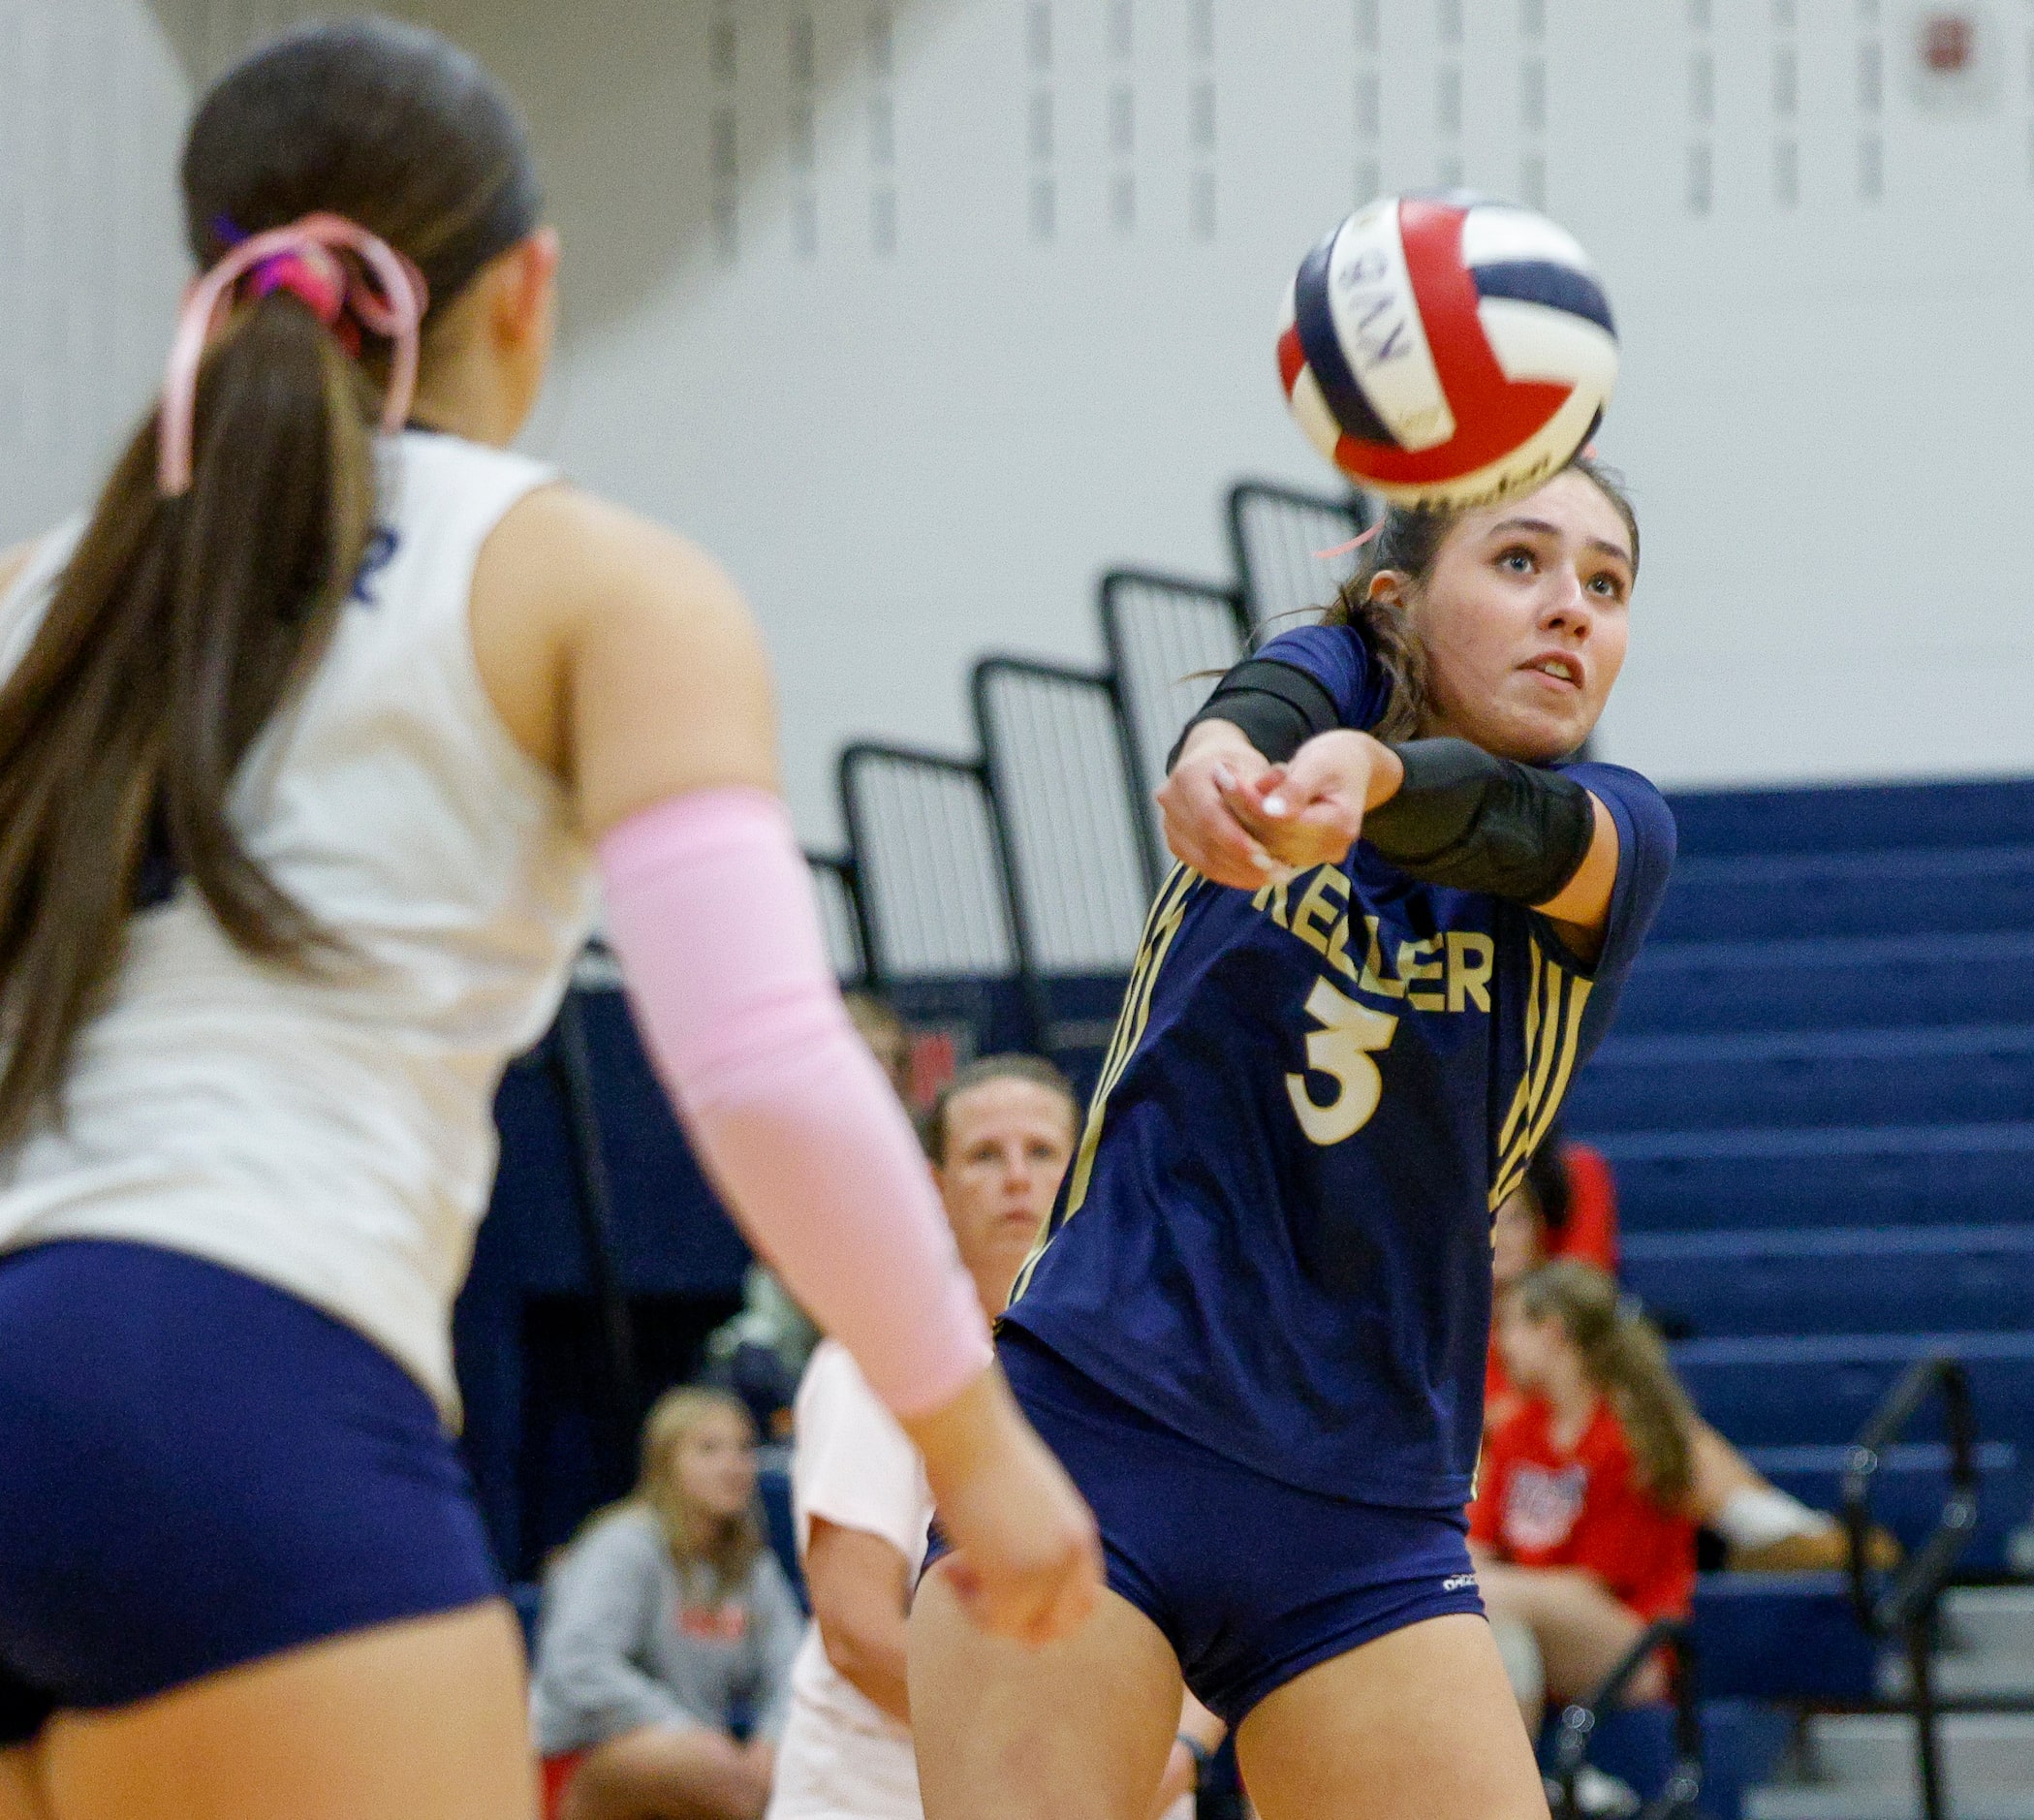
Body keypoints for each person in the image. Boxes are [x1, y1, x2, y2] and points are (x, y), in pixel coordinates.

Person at [0, 21, 1092, 1820]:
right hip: (235, 1379)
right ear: (527, 288)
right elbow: (754, 1059)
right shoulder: (586, 574)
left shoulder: (60, 585)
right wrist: (974, 1438)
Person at [904, 458, 1679, 1820]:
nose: (1572, 608)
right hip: (1098, 1423)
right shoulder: (1306, 683)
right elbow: (1273, 688)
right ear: (1398, 594)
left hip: (1367, 1510)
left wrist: (1372, 777)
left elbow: (1498, 814)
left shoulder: (1617, 833)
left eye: (1606, 584)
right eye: (1521, 561)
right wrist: (1215, 755)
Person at [767, 1051, 1229, 1820]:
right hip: (884, 1796)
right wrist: (1043, 1767)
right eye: (985, 1155)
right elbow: (856, 1630)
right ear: (933, 1188)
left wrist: (1178, 1754)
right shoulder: (872, 1358)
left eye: (1043, 1151)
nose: (1017, 1176)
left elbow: (1225, 1605)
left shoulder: (1169, 1363)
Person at [1486, 1157, 1877, 1574]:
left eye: (1516, 1220)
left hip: (1570, 1468)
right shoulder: (1446, 1330)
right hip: (1494, 1478)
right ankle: (1780, 1531)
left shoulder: (1558, 1308)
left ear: (1539, 1230)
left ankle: (1790, 1532)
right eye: (1491, 1223)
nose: (1502, 1238)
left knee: (1655, 1427)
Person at [532, 1390, 802, 1820]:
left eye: (744, 1448)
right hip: (580, 1757)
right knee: (714, 1776)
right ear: (666, 1462)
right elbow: (577, 1664)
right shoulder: (624, 1543)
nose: (733, 1465)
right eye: (709, 1449)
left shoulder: (752, 1566)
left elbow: (794, 1670)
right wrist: (682, 1729)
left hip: (704, 1756)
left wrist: (770, 1741)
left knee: (793, 1764)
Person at [1470, 1262, 1700, 1734]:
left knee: (1464, 1593)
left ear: (1552, 1332)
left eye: (1509, 1326)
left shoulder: (1627, 1439)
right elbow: (1479, 1544)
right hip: (1535, 1627)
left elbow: (1592, 1588)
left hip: (1633, 1651)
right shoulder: (1519, 1433)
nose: (1499, 1345)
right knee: (1495, 1631)